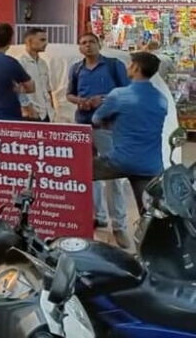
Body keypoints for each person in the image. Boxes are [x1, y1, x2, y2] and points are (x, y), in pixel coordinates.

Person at [66, 32, 131, 248]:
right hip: (83, 126)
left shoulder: (113, 65)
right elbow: (69, 94)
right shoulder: (76, 68)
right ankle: (98, 216)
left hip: (108, 127)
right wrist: (80, 101)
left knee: (114, 179)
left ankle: (119, 225)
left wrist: (102, 99)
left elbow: (127, 93)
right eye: (83, 43)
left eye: (91, 42)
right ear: (79, 48)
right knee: (89, 175)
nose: (88, 46)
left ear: (99, 44)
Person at [92, 51, 167, 229]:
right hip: (151, 165)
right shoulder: (161, 99)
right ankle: (147, 248)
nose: (127, 67)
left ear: (136, 67)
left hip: (120, 161)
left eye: (130, 64)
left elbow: (96, 119)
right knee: (148, 214)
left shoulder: (119, 94)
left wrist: (110, 122)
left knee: (75, 174)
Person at [17, 28, 54, 121]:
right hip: (31, 115)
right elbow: (18, 90)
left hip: (47, 113)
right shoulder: (20, 63)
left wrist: (52, 108)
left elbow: (47, 88)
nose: (46, 43)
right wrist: (29, 110)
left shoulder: (43, 63)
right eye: (42, 40)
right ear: (29, 41)